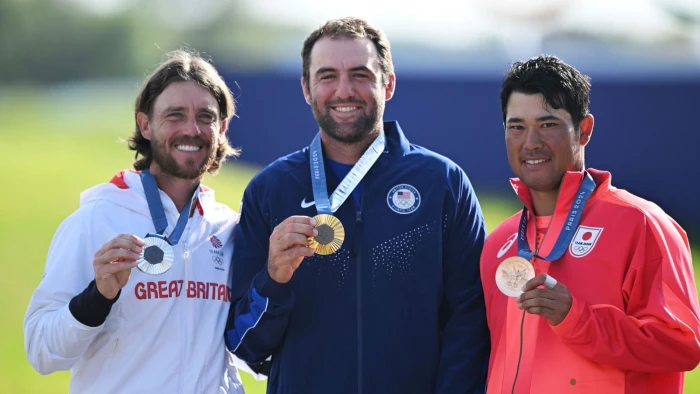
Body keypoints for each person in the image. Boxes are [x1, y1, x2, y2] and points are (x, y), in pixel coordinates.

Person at [225, 16, 490, 394]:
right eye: (328, 76)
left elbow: (472, 321)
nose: (344, 90)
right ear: (306, 88)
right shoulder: (270, 190)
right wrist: (273, 278)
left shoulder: (441, 183)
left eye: (361, 75)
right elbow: (244, 343)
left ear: (389, 83)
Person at [23, 49, 246, 394]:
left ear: (222, 129)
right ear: (145, 124)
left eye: (206, 117)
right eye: (175, 115)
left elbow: (254, 357)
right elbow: (41, 350)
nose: (192, 129)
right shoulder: (97, 218)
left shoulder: (227, 228)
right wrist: (97, 297)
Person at [480, 54, 700, 393]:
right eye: (517, 126)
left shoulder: (641, 223)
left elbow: (681, 345)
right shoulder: (500, 242)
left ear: (584, 130)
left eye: (548, 123)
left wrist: (578, 319)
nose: (531, 142)